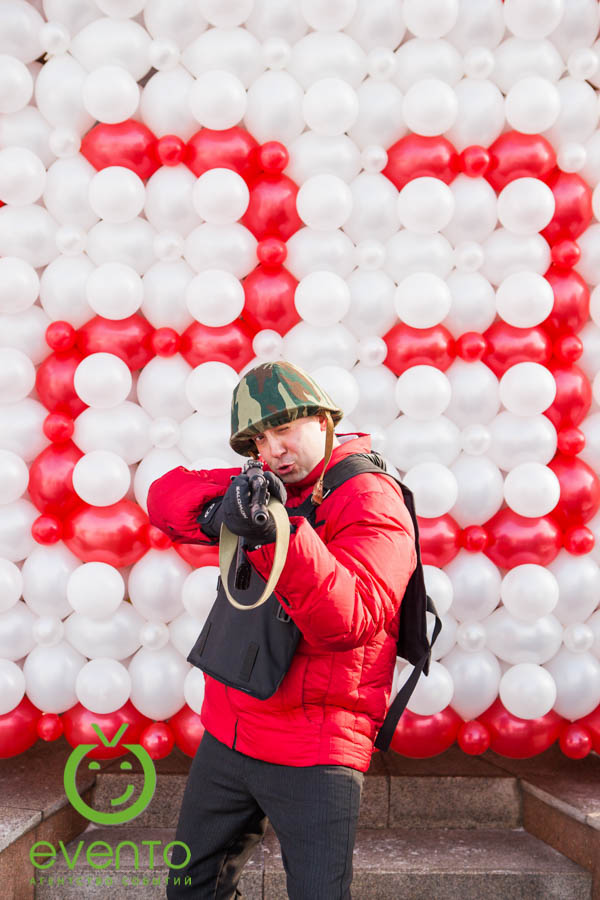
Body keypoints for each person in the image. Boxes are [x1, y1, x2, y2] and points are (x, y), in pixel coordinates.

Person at [146, 360, 417, 900]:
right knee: (189, 890)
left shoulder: (370, 498)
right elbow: (164, 498)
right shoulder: (273, 482)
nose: (275, 451)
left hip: (315, 746)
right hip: (232, 729)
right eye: (260, 441)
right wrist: (217, 514)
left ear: (322, 421)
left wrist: (275, 534)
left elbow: (351, 619)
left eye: (286, 428)